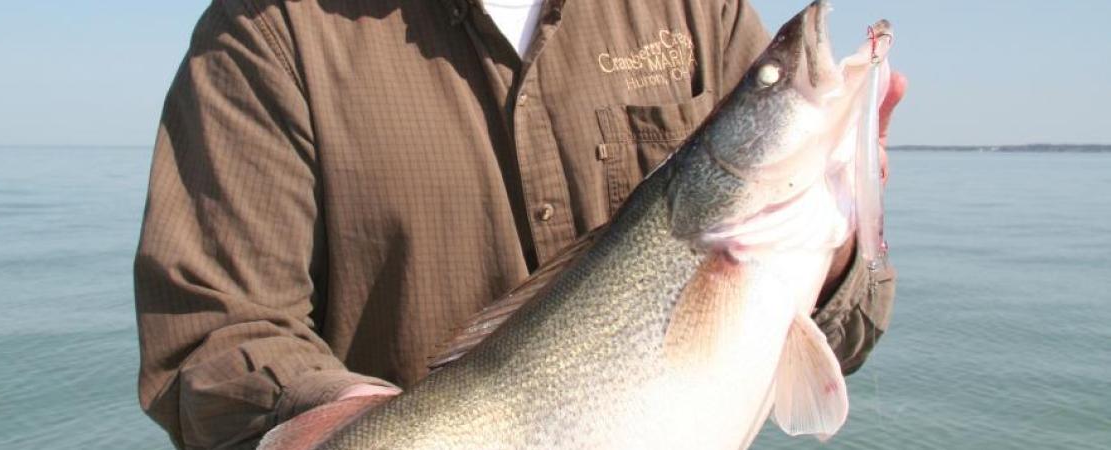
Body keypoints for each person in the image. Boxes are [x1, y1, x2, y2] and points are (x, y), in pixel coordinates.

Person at [134, 0, 906, 448]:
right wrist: (341, 422)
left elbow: (851, 329)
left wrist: (835, 248)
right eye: (774, 79)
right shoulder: (265, 37)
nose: (788, 71)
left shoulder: (696, 10)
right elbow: (218, 332)